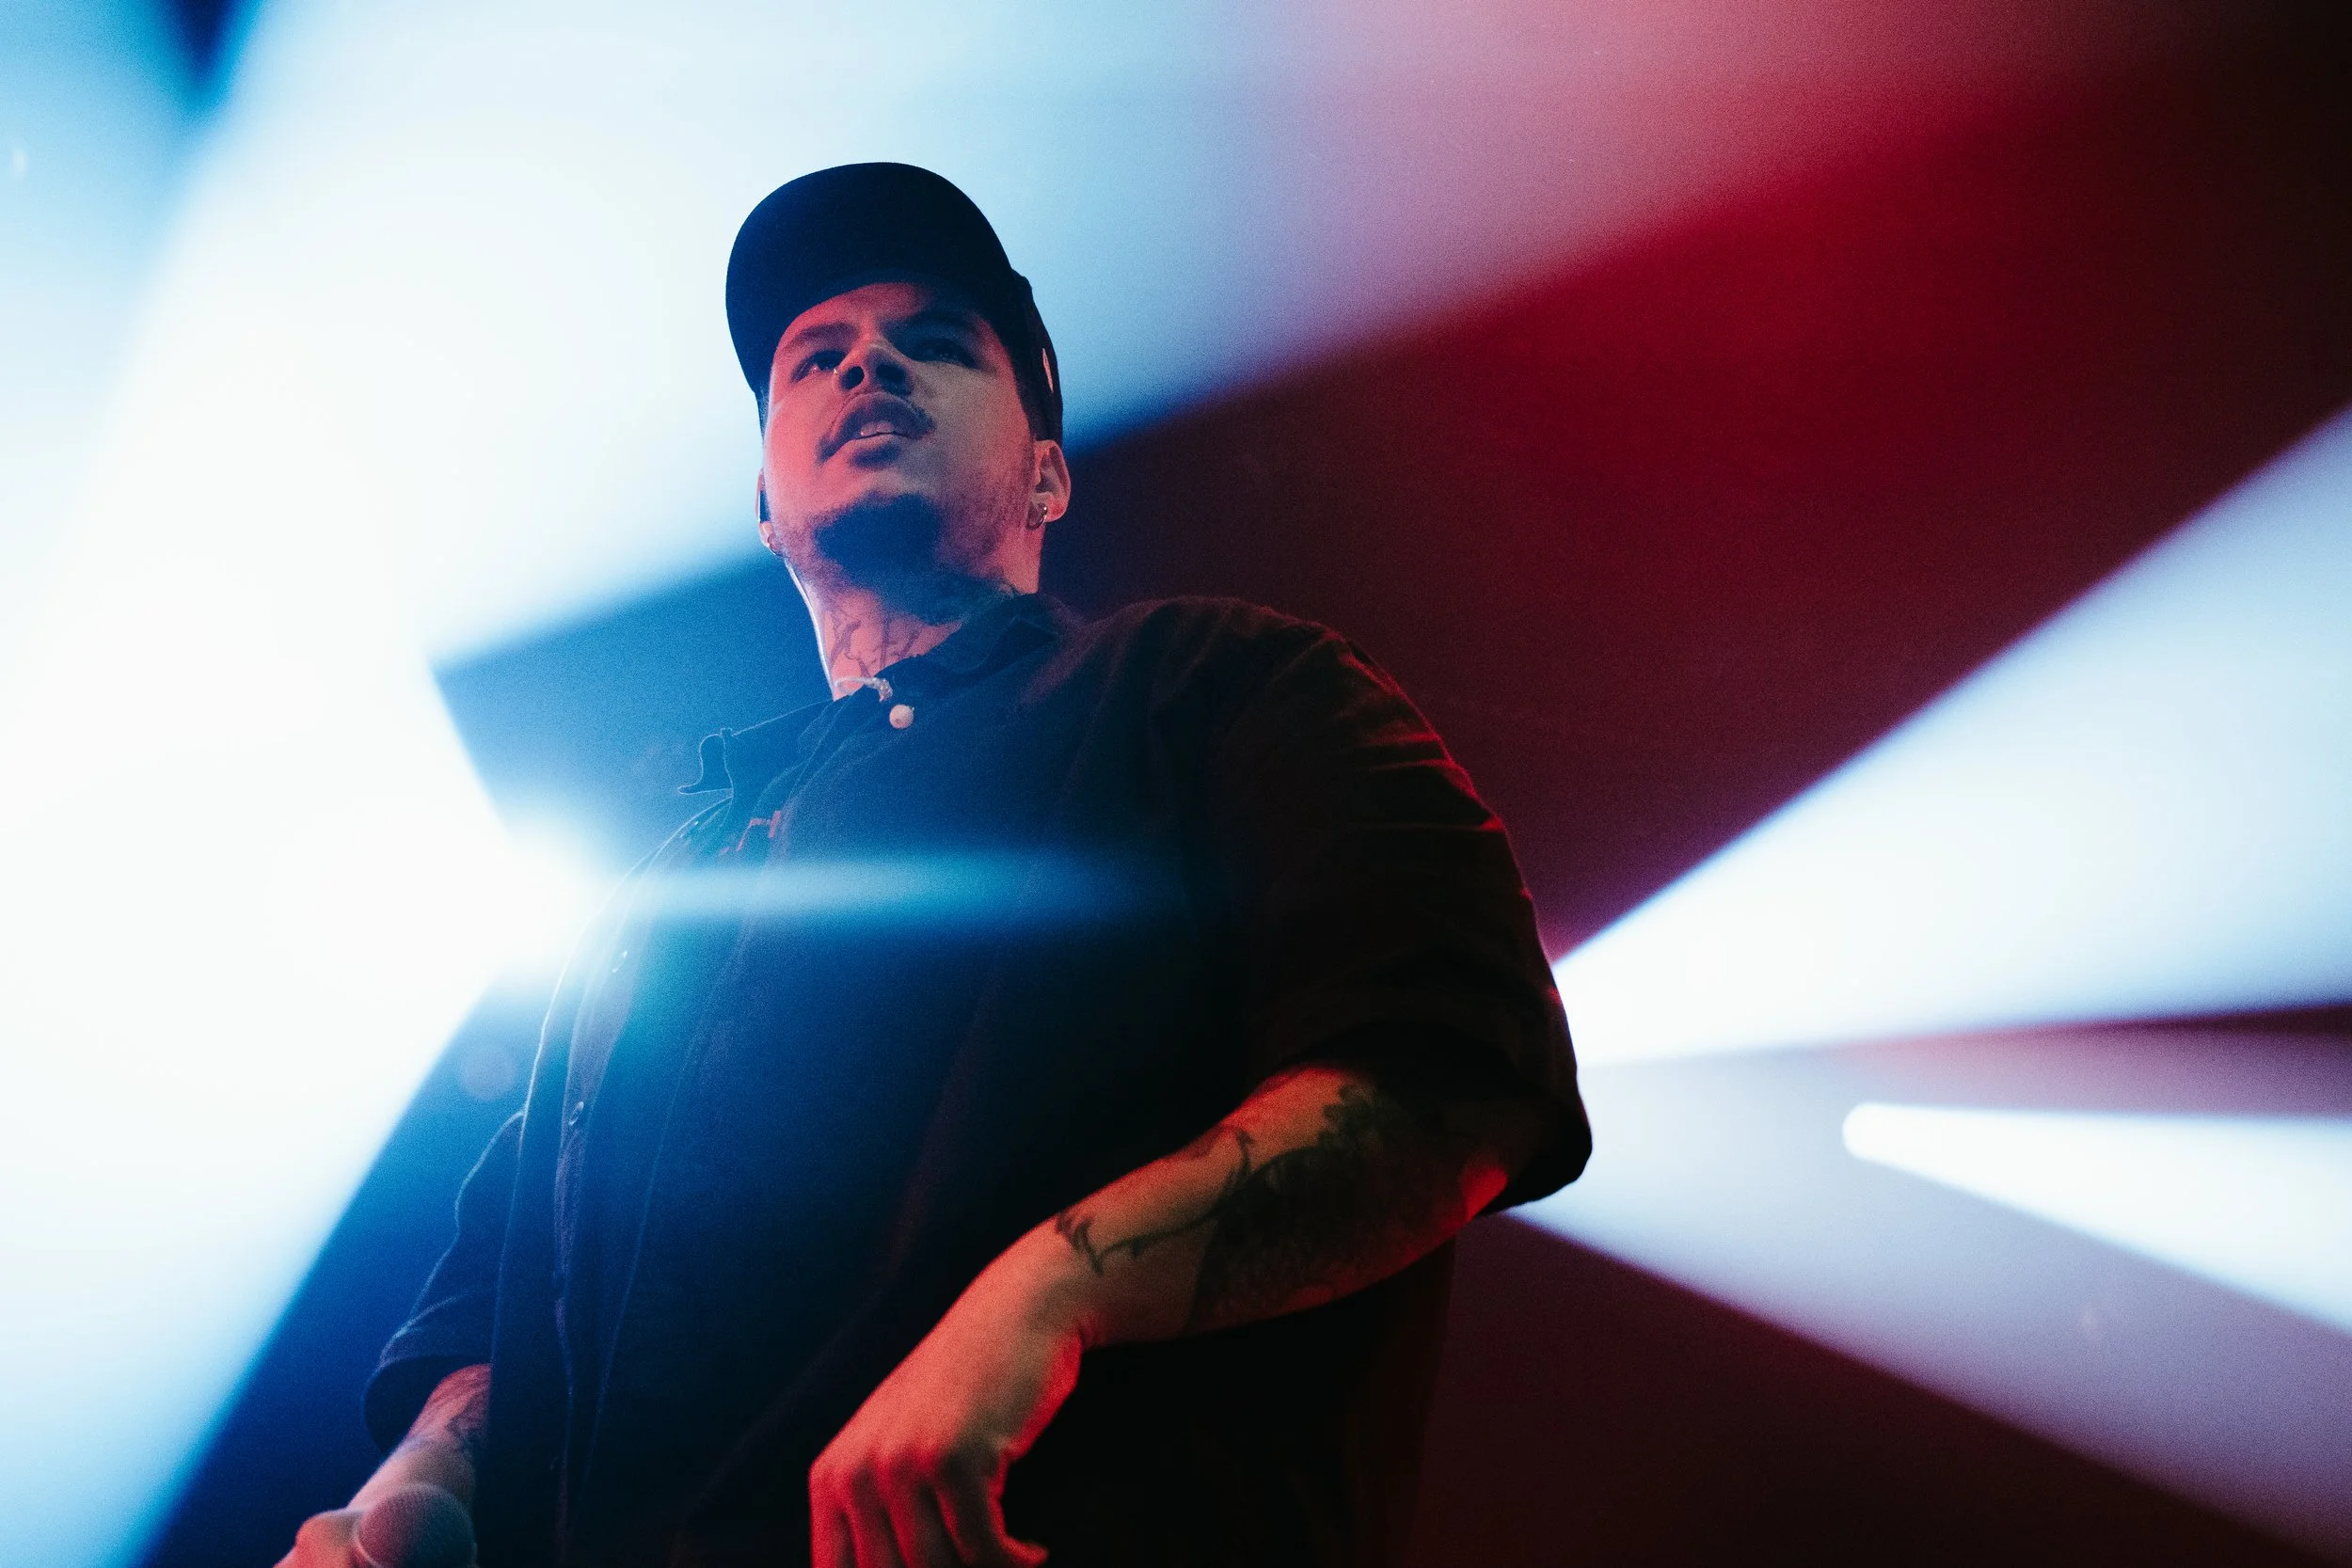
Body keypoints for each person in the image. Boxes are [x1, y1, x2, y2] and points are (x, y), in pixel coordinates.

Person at [279, 163, 1590, 1568]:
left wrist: (1042, 1297)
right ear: (767, 500)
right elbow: (498, 1292)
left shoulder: (1211, 687)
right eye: (814, 357)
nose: (869, 364)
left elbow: (1454, 1068)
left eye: (938, 341)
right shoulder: (659, 891)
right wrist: (419, 1481)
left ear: (1047, 469)